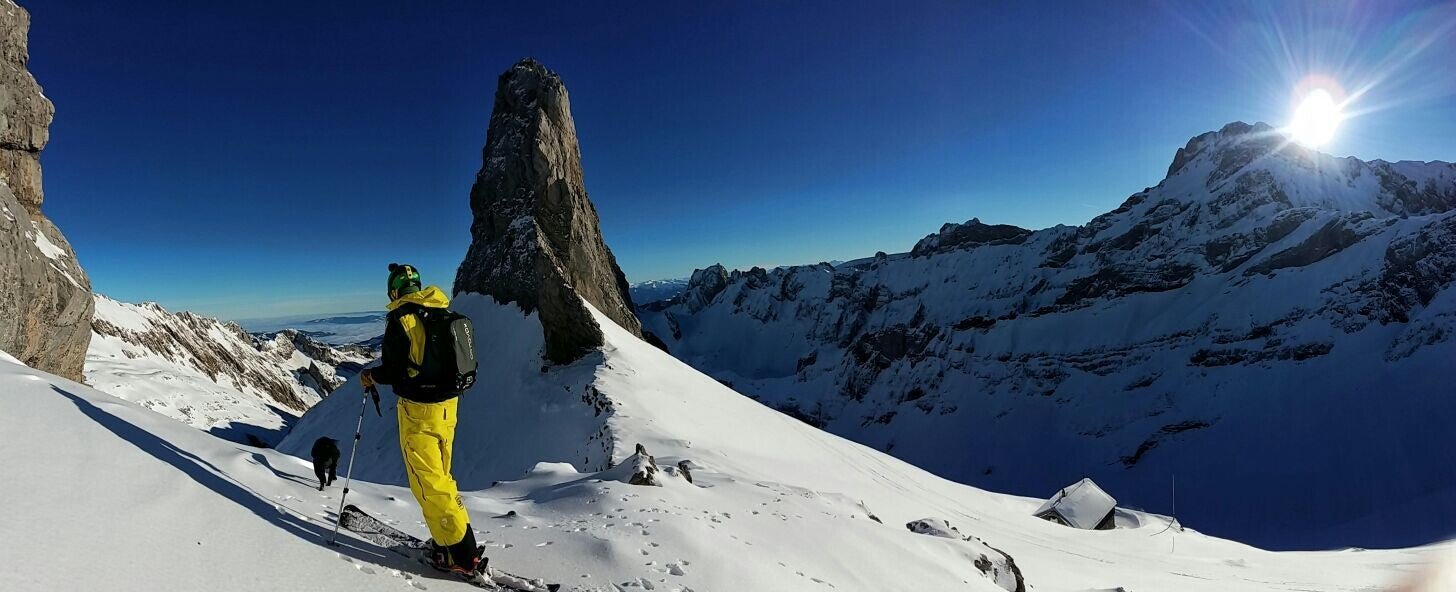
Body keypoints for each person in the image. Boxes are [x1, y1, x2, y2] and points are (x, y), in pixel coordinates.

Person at [359, 263, 482, 575]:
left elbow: (392, 370)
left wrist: (370, 375)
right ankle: (447, 542)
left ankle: (462, 556)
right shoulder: (440, 311)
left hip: (419, 412)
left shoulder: (403, 320)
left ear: (394, 291)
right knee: (440, 476)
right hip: (448, 409)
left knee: (429, 484)